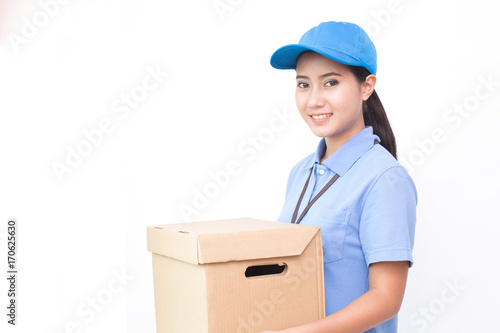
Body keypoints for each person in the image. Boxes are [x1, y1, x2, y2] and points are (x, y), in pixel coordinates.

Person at [261, 21, 417, 333]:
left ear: (366, 86)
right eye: (303, 84)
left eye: (330, 83)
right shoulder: (300, 172)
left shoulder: (385, 178)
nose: (314, 100)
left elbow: (386, 298)